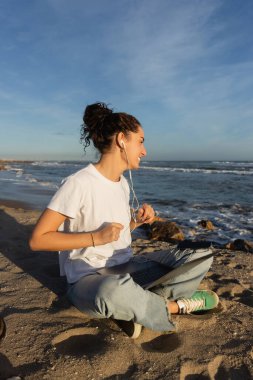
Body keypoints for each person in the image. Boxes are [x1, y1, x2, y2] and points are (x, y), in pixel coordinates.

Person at [29, 102, 219, 338]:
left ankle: (135, 306)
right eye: (140, 141)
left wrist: (136, 223)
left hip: (129, 269)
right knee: (111, 292)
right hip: (90, 278)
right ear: (121, 139)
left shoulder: (123, 184)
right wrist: (95, 238)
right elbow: (38, 240)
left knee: (201, 255)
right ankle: (173, 306)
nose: (144, 150)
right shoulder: (78, 183)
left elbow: (118, 235)